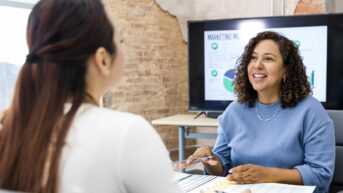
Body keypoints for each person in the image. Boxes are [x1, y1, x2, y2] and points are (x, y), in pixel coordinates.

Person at [0, 0, 183, 193]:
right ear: (102, 59)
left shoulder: (9, 129)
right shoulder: (128, 133)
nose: (123, 48)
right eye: (121, 41)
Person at [182, 31, 335, 193]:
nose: (257, 65)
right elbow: (223, 169)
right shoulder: (234, 111)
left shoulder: (311, 110)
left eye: (268, 58)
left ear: (286, 70)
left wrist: (267, 174)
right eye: (253, 58)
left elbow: (321, 175)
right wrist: (210, 159)